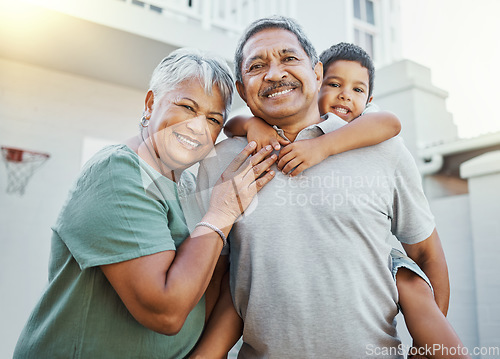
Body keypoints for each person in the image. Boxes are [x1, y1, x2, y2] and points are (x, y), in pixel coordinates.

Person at [192, 16, 469, 359]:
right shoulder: (218, 163)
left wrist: (428, 349)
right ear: (242, 88)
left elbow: (426, 255)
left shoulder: (382, 148)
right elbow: (214, 280)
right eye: (257, 65)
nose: (274, 73)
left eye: (289, 58)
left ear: (317, 73)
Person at [13, 48, 277, 359]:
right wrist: (222, 213)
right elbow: (165, 311)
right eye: (187, 107)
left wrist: (248, 125)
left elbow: (212, 286)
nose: (198, 126)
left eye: (212, 119)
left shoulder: (190, 185)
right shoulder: (118, 172)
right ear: (151, 104)